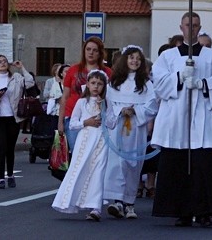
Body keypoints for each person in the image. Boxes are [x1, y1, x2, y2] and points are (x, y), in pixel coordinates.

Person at [151, 11, 212, 228]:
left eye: (195, 25)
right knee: (177, 164)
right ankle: (181, 211)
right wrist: (179, 77)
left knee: (203, 164)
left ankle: (205, 211)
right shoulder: (168, 57)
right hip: (177, 117)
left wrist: (202, 84)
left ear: (199, 27)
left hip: (203, 117)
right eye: (188, 25)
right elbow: (157, 83)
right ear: (181, 27)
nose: (191, 28)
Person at [104, 45, 157, 220]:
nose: (134, 61)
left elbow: (152, 105)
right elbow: (109, 107)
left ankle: (130, 203)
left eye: (138, 59)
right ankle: (117, 200)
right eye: (131, 57)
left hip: (136, 129)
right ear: (125, 60)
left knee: (133, 165)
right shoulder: (114, 83)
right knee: (117, 163)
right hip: (118, 129)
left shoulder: (146, 84)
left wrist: (136, 111)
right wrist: (121, 111)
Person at [52, 70, 109, 221]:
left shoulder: (106, 103)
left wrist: (105, 113)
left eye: (100, 84)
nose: (96, 86)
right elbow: (73, 124)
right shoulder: (81, 102)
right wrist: (86, 122)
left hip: (102, 140)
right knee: (79, 168)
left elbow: (113, 122)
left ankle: (95, 207)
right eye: (93, 83)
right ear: (88, 85)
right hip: (85, 140)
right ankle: (70, 200)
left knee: (98, 171)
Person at [0, 55, 35, 189]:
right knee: (1, 148)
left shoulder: (16, 78)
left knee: (10, 149)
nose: (2, 63)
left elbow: (30, 83)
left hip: (13, 118)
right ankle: (1, 178)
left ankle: (10, 175)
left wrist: (21, 67)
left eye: (5, 61)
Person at [58, 37, 112, 152]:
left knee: (95, 155)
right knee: (77, 153)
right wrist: (60, 122)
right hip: (73, 118)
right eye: (88, 49)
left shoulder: (107, 72)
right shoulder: (73, 70)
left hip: (97, 120)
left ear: (100, 53)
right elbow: (65, 97)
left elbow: (111, 97)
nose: (91, 53)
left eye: (95, 50)